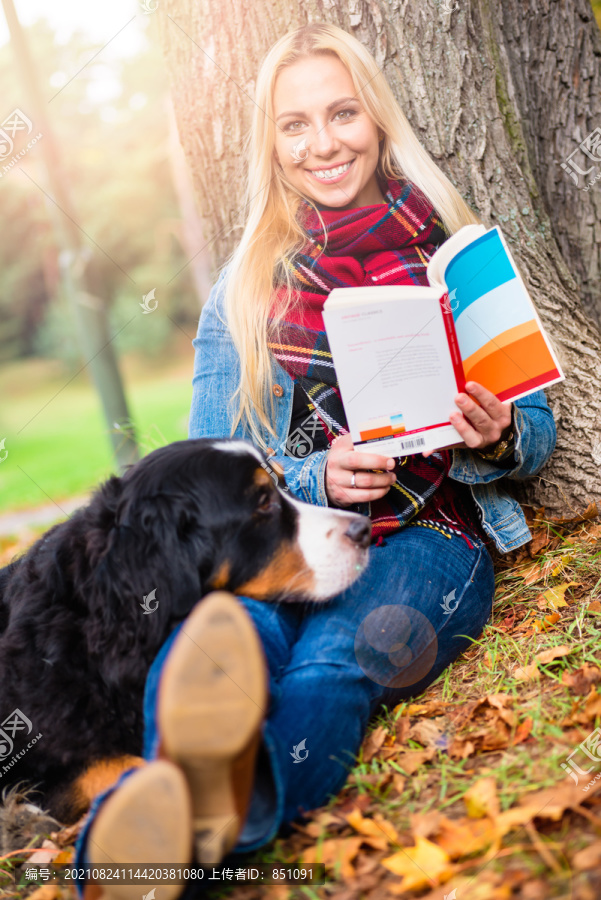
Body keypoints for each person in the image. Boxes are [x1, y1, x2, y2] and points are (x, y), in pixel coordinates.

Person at [73, 21, 556, 899]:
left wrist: (496, 432)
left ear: (375, 119)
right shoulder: (248, 283)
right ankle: (141, 834)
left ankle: (181, 848)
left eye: (341, 114)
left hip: (428, 540)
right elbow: (208, 460)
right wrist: (313, 477)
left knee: (333, 663)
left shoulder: (452, 250)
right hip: (287, 540)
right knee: (223, 646)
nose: (322, 142)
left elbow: (538, 430)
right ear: (272, 143)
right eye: (294, 125)